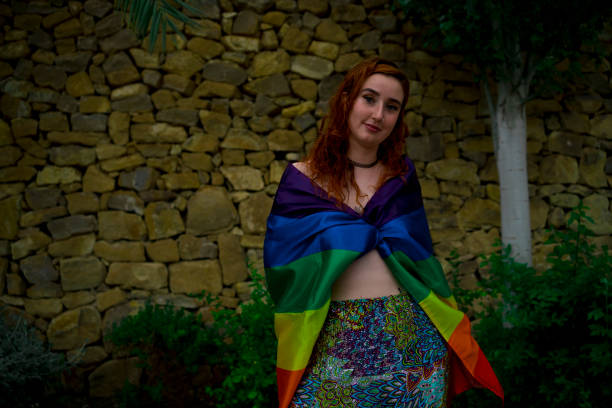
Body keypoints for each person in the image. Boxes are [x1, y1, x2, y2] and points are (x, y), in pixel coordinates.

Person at [263, 57, 503, 407]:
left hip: (413, 346)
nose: (378, 115)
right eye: (369, 98)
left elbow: (420, 261)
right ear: (346, 99)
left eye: (392, 107)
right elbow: (282, 270)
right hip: (334, 352)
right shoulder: (302, 182)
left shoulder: (401, 178)